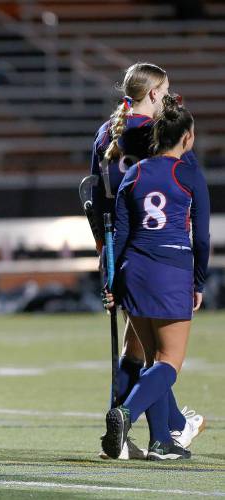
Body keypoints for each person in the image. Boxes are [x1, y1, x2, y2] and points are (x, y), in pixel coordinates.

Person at [91, 62, 204, 459]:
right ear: (154, 94)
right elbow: (179, 188)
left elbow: (96, 196)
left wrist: (105, 255)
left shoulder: (108, 132)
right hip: (156, 251)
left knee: (137, 346)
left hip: (117, 249)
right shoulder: (156, 133)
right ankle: (158, 431)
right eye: (166, 91)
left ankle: (165, 426)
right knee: (153, 351)